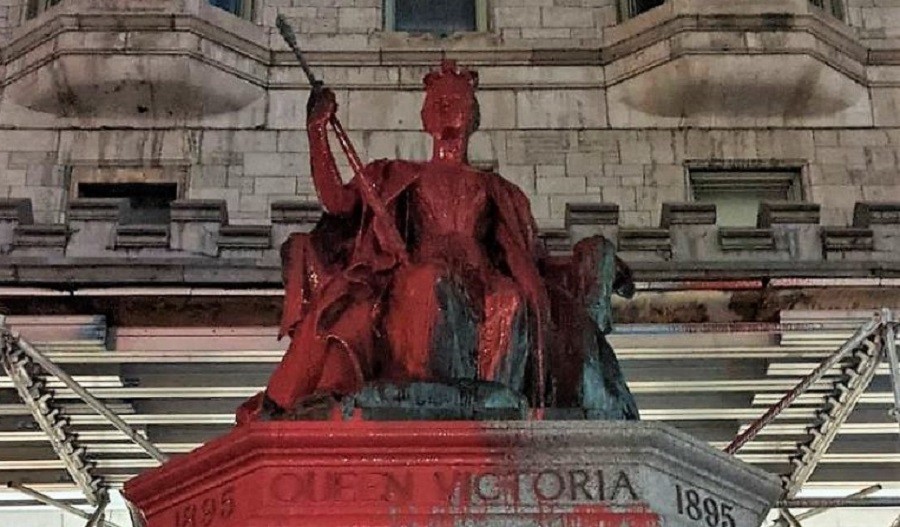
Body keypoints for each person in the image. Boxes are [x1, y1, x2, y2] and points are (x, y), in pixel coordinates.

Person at [237, 60, 549, 423]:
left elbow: (529, 255)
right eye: (437, 102)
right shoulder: (393, 175)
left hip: (479, 273)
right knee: (431, 280)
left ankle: (495, 400)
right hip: (418, 270)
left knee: (510, 298)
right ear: (425, 118)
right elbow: (338, 201)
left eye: (456, 101)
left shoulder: (498, 189)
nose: (446, 107)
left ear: (472, 115)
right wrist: (318, 133)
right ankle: (419, 388)